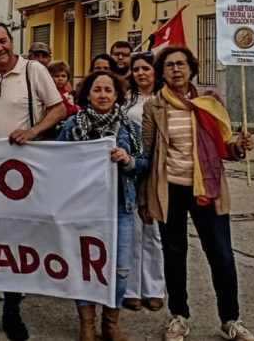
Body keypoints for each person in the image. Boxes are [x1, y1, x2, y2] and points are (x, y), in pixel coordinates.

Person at [140, 46, 254, 341]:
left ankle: (230, 319)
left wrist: (238, 148)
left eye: (181, 64)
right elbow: (148, 153)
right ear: (161, 73)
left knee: (221, 255)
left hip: (208, 188)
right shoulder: (153, 107)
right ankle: (179, 317)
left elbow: (224, 144)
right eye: (169, 66)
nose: (176, 69)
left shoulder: (210, 102)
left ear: (191, 68)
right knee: (174, 254)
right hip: (170, 189)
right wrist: (144, 197)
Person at [0, 21, 65, 341]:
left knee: (16, 245)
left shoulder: (34, 71)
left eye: (3, 41)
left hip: (20, 177)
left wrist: (32, 132)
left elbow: (58, 109)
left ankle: (13, 312)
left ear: (11, 40)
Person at [58, 70, 146, 341]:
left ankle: (111, 322)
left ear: (117, 95)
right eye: (97, 89)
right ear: (87, 94)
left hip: (121, 207)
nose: (103, 95)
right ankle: (87, 323)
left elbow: (145, 164)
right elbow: (56, 162)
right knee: (85, 268)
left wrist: (128, 160)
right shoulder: (72, 125)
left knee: (120, 269)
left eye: (108, 90)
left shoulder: (130, 128)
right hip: (83, 209)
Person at [122, 53, 166, 313]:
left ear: (154, 72)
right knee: (132, 232)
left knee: (154, 233)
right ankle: (130, 289)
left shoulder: (164, 100)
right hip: (130, 171)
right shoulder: (125, 101)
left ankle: (155, 288)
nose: (140, 73)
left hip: (157, 172)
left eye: (145, 69)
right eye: (136, 69)